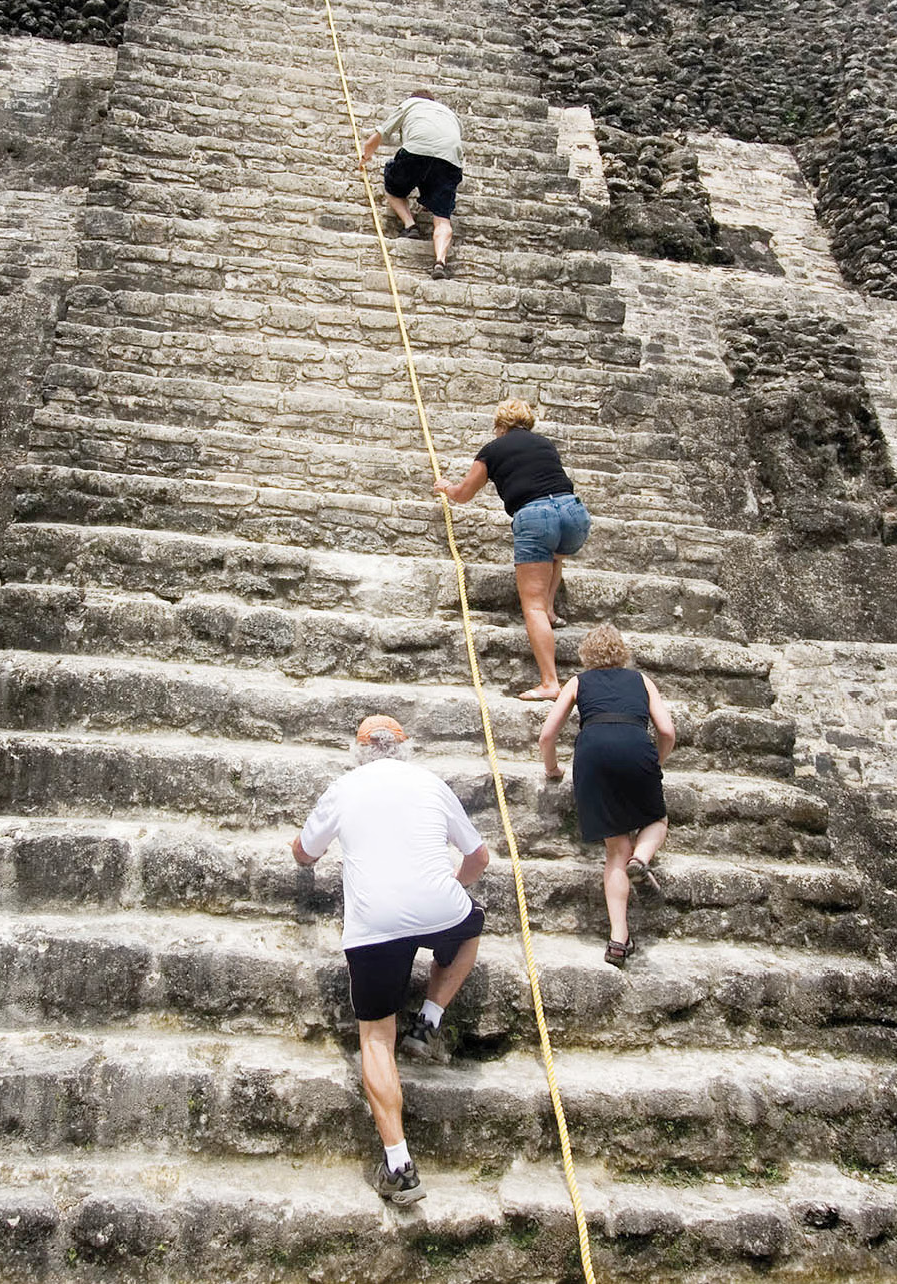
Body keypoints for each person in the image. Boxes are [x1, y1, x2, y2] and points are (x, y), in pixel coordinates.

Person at [291, 715, 489, 1205]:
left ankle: (399, 1165)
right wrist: (449, 890)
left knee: (377, 1039)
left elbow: (304, 855)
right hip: (439, 908)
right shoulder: (430, 782)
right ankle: (428, 1020)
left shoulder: (343, 787)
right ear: (405, 749)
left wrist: (300, 849)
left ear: (358, 752)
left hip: (373, 924)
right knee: (470, 927)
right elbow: (479, 859)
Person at [432, 398, 591, 697]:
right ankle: (550, 609)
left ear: (499, 425)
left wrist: (446, 487)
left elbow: (465, 493)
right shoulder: (545, 444)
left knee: (530, 606)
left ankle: (550, 683)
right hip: (574, 514)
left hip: (535, 516)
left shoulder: (492, 450)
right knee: (555, 552)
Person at [538, 624, 675, 966]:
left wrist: (552, 769)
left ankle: (618, 940)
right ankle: (642, 858)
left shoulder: (578, 682)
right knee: (657, 819)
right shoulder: (642, 681)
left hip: (593, 752)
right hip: (636, 745)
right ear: (622, 652)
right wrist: (654, 761)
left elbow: (546, 735)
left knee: (615, 851)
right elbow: (667, 731)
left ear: (587, 654)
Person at [359, 90, 463, 275]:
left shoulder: (410, 104)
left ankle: (410, 225)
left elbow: (378, 135)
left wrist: (365, 156)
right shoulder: (451, 115)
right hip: (449, 161)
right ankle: (440, 261)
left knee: (393, 188)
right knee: (442, 217)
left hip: (415, 152)